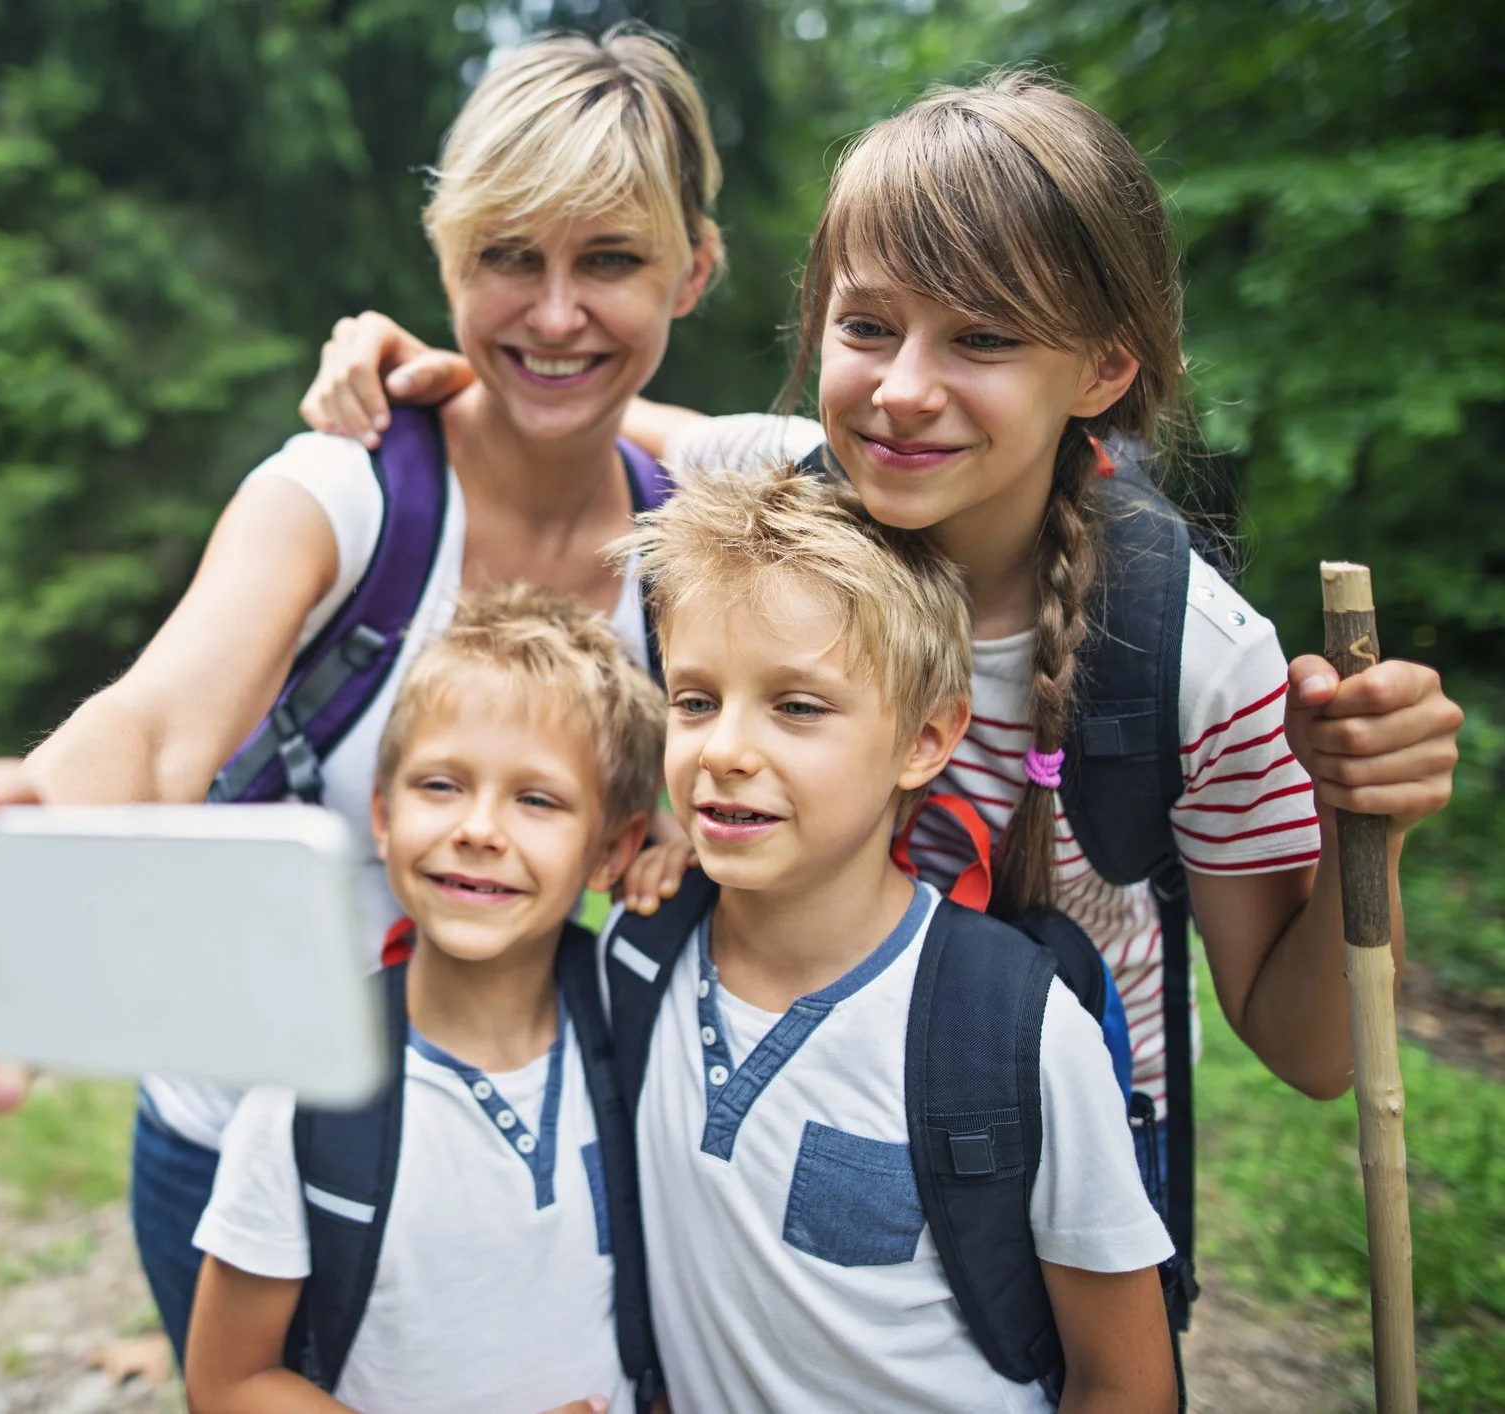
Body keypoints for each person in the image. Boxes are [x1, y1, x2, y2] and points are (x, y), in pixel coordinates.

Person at [296, 67, 1463, 1319]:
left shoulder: (1195, 659)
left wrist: (1366, 831)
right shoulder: (767, 488)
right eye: (867, 329)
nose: (904, 387)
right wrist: (430, 367)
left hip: (1040, 1193)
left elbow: (1308, 1053)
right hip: (758, 1117)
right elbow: (571, 397)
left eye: (984, 337)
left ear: (1104, 366)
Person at [0, 24, 725, 1358]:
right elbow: (156, 721)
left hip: (520, 1157)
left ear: (692, 270)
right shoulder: (341, 490)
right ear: (444, 252)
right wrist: (0, 871)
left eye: (610, 261)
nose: (550, 311)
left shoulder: (690, 549)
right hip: (247, 1152)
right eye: (504, 257)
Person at [613, 469, 1177, 1412]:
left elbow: (1125, 1385)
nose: (722, 751)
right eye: (695, 700)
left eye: (796, 706)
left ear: (924, 738)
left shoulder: (1013, 1031)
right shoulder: (634, 958)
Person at [186, 585, 664, 1414]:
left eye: (537, 799)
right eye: (440, 785)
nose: (478, 828)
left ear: (611, 848)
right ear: (380, 814)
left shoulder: (642, 1032)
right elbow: (227, 1381)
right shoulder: (311, 1089)